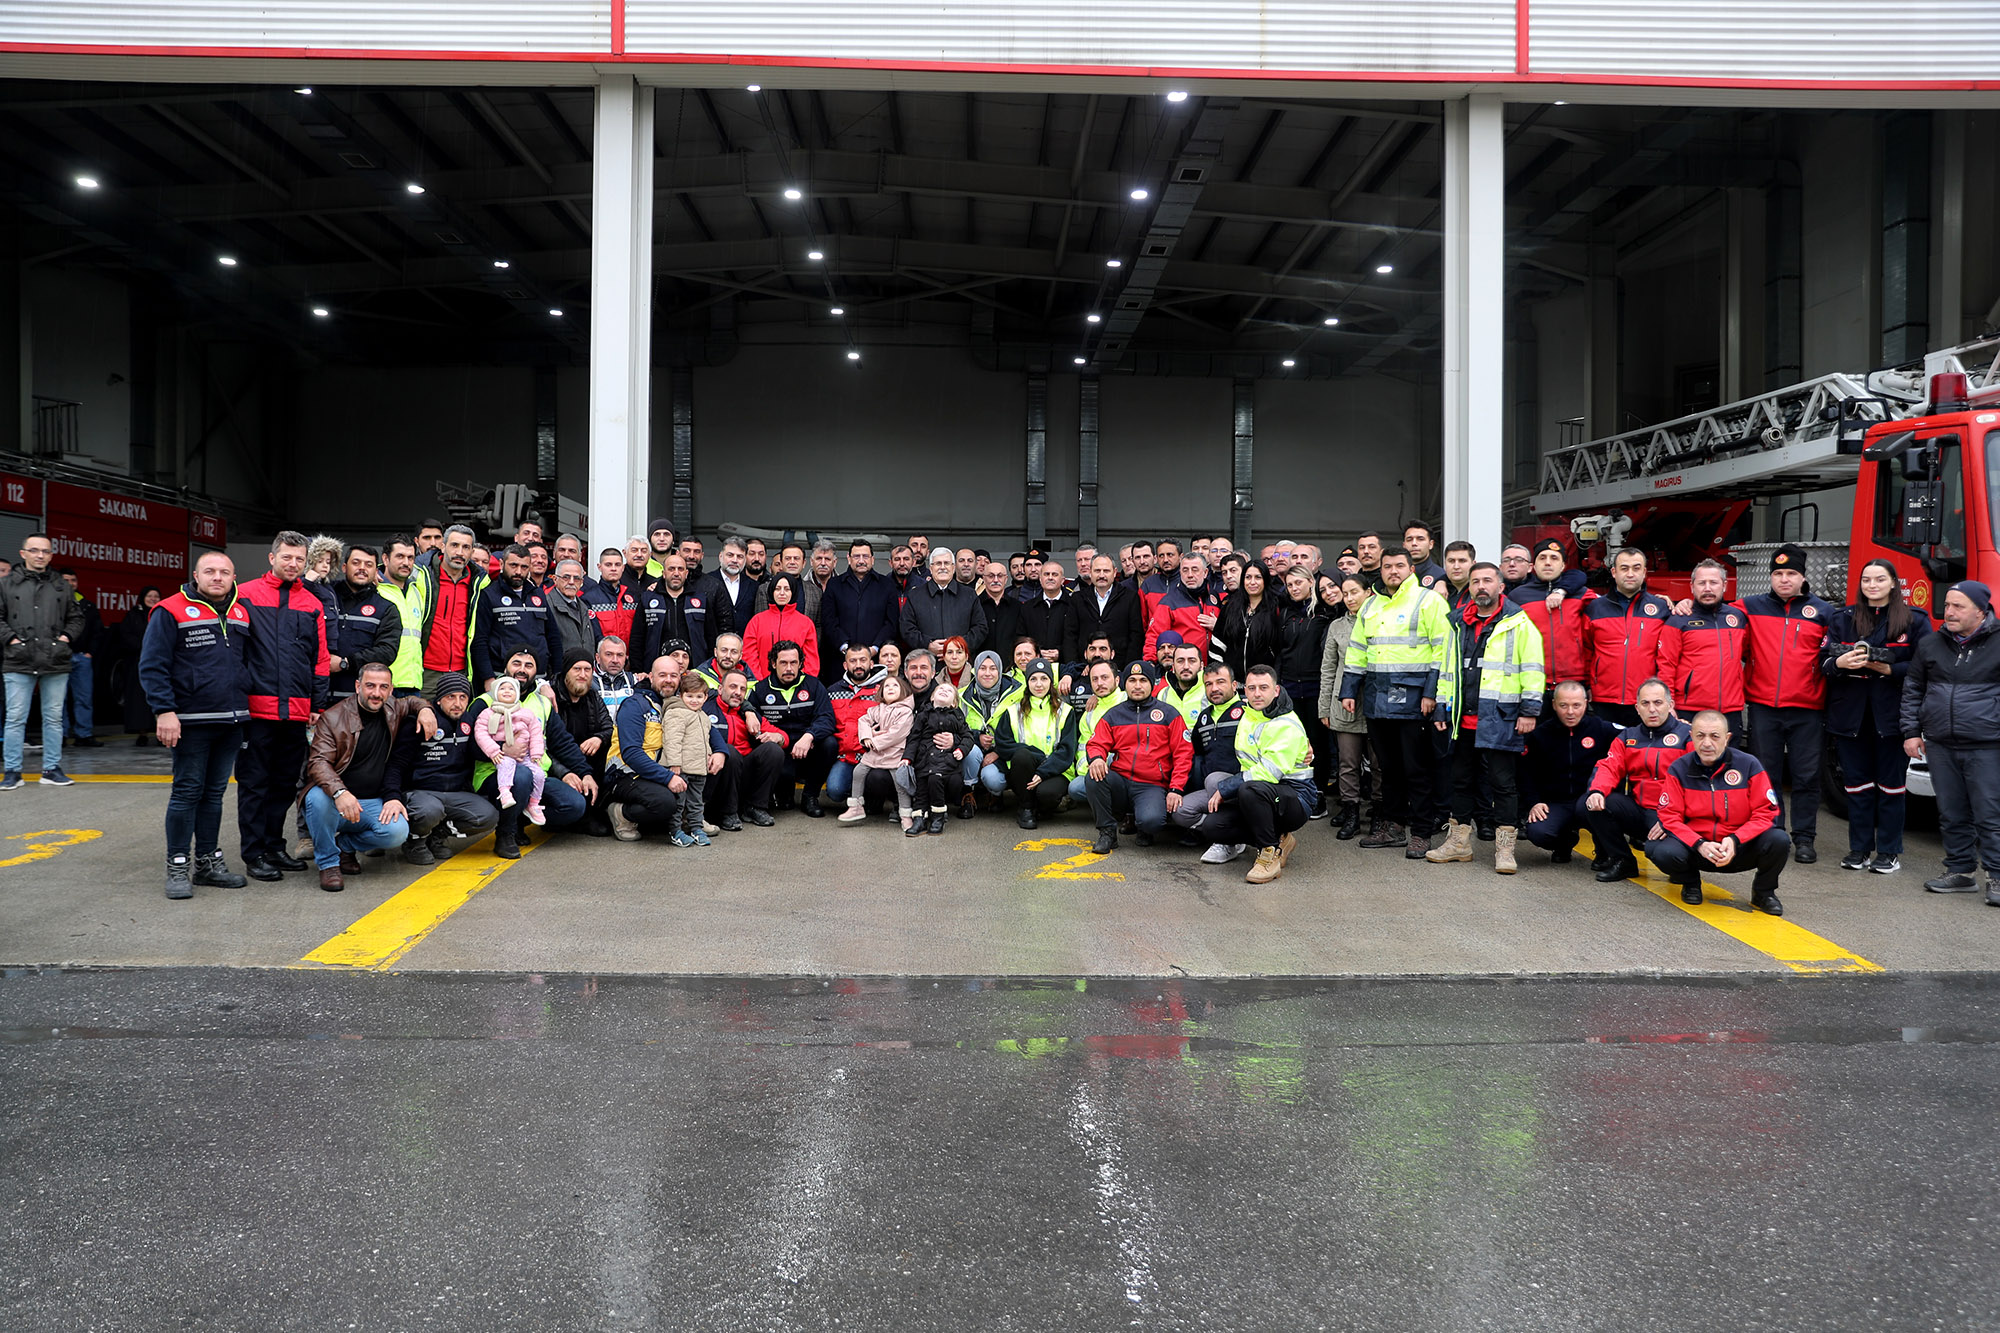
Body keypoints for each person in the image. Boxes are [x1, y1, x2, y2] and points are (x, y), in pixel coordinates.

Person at [139, 550, 252, 898]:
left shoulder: (241, 612)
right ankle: (177, 865)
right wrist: (164, 711)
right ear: (196, 575)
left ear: (234, 577)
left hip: (231, 720)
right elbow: (152, 665)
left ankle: (207, 862)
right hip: (189, 721)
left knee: (214, 794)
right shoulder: (169, 610)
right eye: (210, 571)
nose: (217, 577)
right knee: (187, 791)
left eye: (225, 572)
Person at [1428, 562, 1544, 874]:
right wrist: (1442, 707)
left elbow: (1533, 670)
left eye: (1488, 580)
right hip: (1461, 720)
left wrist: (1530, 711)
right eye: (1476, 581)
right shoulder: (1456, 624)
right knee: (1460, 781)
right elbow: (1446, 670)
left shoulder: (1519, 624)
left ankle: (1505, 851)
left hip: (1501, 718)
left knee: (1502, 785)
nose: (1481, 586)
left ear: (1500, 587)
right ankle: (1459, 844)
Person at [1340, 546, 1451, 858]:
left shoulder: (1429, 601)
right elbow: (1357, 650)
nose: (1393, 571)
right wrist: (1349, 690)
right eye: (1387, 566)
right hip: (1377, 699)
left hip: (1415, 700)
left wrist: (1432, 693)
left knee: (1416, 768)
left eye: (1399, 566)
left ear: (1411, 569)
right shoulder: (1371, 605)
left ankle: (1421, 831)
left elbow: (1442, 653)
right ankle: (1392, 826)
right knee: (1387, 768)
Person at [1822, 557, 1929, 874]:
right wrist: (1840, 664)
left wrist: (1889, 668)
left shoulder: (1914, 621)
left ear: (1893, 583)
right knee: (1856, 787)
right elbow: (1822, 661)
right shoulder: (1843, 618)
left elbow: (1926, 667)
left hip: (1891, 718)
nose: (1872, 585)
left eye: (1880, 579)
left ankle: (1889, 852)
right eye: (1867, 580)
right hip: (1850, 717)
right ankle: (1858, 849)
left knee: (1891, 788)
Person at [235, 532, 330, 879]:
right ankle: (254, 853)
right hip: (257, 711)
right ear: (272, 557)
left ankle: (274, 847)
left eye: (299, 559)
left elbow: (319, 659)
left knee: (283, 784)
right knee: (254, 783)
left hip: (297, 711)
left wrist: (317, 704)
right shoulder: (244, 595)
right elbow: (234, 652)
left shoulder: (312, 603)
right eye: (287, 557)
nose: (293, 564)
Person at [1900, 580, 2000, 903]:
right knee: (1951, 812)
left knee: (1990, 814)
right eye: (1947, 605)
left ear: (1980, 611)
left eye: (1959, 606)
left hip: (1988, 744)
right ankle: (1960, 871)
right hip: (1941, 743)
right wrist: (1912, 731)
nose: (1949, 612)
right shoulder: (1931, 644)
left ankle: (1997, 877)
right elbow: (1913, 688)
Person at [1740, 544, 1838, 864]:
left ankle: (1805, 837)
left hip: (1808, 708)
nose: (1784, 579)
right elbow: (1709, 607)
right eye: (1778, 573)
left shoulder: (1824, 612)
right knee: (1767, 775)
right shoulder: (1749, 607)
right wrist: (1684, 601)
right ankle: (1774, 832)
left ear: (1803, 577)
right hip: (1763, 705)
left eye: (1791, 573)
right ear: (1770, 577)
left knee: (1806, 775)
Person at [300, 662, 432, 891]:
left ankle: (345, 846)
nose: (376, 693)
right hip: (336, 802)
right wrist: (340, 792)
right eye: (370, 686)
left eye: (383, 687)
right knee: (316, 799)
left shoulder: (392, 708)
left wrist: (425, 709)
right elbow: (318, 762)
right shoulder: (333, 718)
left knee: (397, 831)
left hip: (371, 802)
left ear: (391, 690)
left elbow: (411, 701)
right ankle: (329, 863)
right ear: (358, 686)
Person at [1647, 709, 1788, 913]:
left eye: (1714, 736)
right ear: (1692, 737)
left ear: (1727, 738)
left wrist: (1735, 839)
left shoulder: (1749, 765)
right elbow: (1670, 816)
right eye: (1700, 736)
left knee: (1779, 840)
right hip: (1698, 849)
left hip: (1737, 847)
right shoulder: (1679, 768)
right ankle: (1691, 883)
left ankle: (1764, 893)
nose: (1706, 743)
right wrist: (1699, 844)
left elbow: (1766, 813)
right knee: (1658, 850)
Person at [470, 648, 593, 858]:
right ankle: (506, 833)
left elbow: (562, 742)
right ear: (505, 668)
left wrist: (585, 772)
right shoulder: (485, 701)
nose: (522, 670)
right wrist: (501, 750)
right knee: (521, 776)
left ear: (537, 671)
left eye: (529, 666)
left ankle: (519, 818)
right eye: (516, 664)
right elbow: (468, 746)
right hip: (493, 776)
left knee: (574, 805)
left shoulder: (542, 703)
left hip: (537, 775)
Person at [1582, 678, 1691, 882]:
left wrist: (1672, 820)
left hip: (1673, 814)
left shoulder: (1688, 737)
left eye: (1658, 703)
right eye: (1645, 703)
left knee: (1661, 854)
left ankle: (1686, 871)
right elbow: (1609, 766)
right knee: (1594, 803)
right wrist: (1596, 791)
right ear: (1637, 708)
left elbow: (1698, 786)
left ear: (1671, 705)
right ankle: (1623, 861)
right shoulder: (1627, 737)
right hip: (1640, 810)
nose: (1652, 709)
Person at [0, 532, 84, 788]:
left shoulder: (60, 585)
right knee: (15, 718)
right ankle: (12, 772)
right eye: (35, 550)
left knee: (53, 718)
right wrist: (12, 639)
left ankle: (51, 769)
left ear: (51, 555)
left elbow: (77, 617)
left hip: (55, 659)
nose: (40, 555)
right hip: (18, 660)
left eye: (45, 551)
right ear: (23, 553)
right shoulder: (6, 584)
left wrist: (65, 639)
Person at [1083, 659, 1194, 854]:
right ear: (1124, 683)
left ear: (1151, 683)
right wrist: (1097, 758)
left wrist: (1176, 788)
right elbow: (1096, 743)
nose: (1137, 685)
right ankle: (1107, 832)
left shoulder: (1169, 714)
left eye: (1143, 680)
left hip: (1151, 784)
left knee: (1152, 822)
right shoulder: (1113, 715)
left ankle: (1143, 826)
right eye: (1132, 680)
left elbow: (1183, 754)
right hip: (1121, 780)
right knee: (1094, 776)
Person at [397, 672, 501, 867]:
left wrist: (505, 748)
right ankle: (415, 842)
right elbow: (397, 764)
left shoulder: (468, 721)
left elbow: (478, 752)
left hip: (455, 792)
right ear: (439, 699)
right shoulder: (421, 721)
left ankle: (436, 835)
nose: (457, 703)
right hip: (421, 792)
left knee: (488, 816)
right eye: (450, 697)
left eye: (463, 697)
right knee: (430, 810)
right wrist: (393, 796)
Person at [1225, 666, 1317, 884]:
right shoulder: (1247, 714)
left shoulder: (1285, 721)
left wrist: (1224, 789)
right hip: (1264, 791)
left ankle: (1269, 854)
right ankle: (1281, 839)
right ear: (1243, 690)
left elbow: (1267, 773)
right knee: (1215, 827)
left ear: (1276, 690)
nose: (1257, 693)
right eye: (1252, 688)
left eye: (1263, 688)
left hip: (1296, 796)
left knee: (1250, 790)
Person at [1518, 681, 1621, 864]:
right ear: (1554, 705)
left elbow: (1638, 735)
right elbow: (1526, 774)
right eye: (1563, 705)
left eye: (1576, 705)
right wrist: (1534, 802)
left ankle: (1604, 850)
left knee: (1603, 807)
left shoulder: (1601, 728)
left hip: (1589, 799)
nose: (1570, 712)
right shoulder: (1540, 735)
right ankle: (1564, 841)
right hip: (1556, 802)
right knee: (1538, 831)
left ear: (1586, 702)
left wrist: (1678, 727)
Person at [604, 655, 693, 843]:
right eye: (662, 675)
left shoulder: (677, 705)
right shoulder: (635, 704)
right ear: (651, 677)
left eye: (673, 676)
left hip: (655, 773)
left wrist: (718, 752)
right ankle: (621, 814)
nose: (668, 680)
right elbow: (632, 754)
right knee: (664, 803)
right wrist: (668, 778)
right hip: (625, 775)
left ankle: (689, 818)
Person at [1318, 572, 1379, 839]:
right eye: (1345, 593)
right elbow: (1328, 669)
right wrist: (1324, 707)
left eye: (1355, 591)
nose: (1350, 598)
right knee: (1348, 763)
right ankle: (1351, 812)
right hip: (1344, 703)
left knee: (1379, 764)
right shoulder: (1337, 626)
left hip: (1376, 702)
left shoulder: (1382, 620)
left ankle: (1379, 814)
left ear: (1368, 592)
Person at [1656, 558, 1748, 734]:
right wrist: (1668, 705)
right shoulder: (1678, 620)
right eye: (1701, 583)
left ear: (1724, 585)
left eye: (1713, 582)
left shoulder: (1738, 618)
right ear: (1691, 587)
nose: (1707, 588)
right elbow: (1666, 665)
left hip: (1730, 710)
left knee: (1730, 760)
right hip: (1689, 710)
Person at [1582, 547, 1670, 726]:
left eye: (1636, 568)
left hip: (1645, 699)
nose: (1630, 574)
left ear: (1644, 572)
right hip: (1604, 698)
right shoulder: (1595, 608)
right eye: (1624, 568)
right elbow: (1586, 650)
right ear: (1614, 572)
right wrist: (1587, 685)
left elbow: (1667, 655)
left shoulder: (1661, 608)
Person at [747, 641, 836, 816]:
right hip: (780, 750)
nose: (789, 668)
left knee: (830, 744)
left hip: (808, 748)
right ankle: (782, 794)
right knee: (775, 760)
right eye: (783, 663)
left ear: (800, 663)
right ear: (773, 663)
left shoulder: (814, 685)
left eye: (793, 662)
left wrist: (810, 735)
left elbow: (827, 718)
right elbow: (752, 726)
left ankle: (810, 797)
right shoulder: (760, 690)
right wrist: (769, 736)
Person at [1274, 565, 1334, 816]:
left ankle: (1318, 793)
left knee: (1318, 743)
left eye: (1298, 582)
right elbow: (1278, 650)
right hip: (1288, 686)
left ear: (1311, 581)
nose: (1294, 588)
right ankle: (1296, 791)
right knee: (1293, 742)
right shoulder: (1284, 612)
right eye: (1289, 584)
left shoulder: (1324, 612)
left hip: (1315, 687)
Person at [1173, 662, 1248, 861]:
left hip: (1243, 788)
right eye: (1208, 684)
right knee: (1179, 811)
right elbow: (1191, 748)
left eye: (1220, 682)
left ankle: (1225, 840)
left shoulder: (1249, 712)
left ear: (1234, 685)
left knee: (1215, 779)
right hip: (1213, 791)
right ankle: (1234, 833)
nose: (1214, 688)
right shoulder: (1204, 717)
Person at [992, 658, 1078, 829]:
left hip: (1055, 770)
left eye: (1044, 678)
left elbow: (1066, 751)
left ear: (1051, 682)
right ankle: (1026, 808)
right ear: (1027, 682)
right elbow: (1003, 744)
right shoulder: (1013, 710)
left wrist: (1043, 771)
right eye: (1033, 679)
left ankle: (1041, 805)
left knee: (1047, 794)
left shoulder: (1065, 711)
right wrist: (1035, 754)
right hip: (1024, 769)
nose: (1039, 684)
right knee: (1022, 755)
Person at [471, 545, 563, 690]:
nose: (518, 572)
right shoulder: (488, 595)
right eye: (513, 565)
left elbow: (553, 637)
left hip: (538, 680)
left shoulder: (538, 595)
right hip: (502, 679)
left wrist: (558, 675)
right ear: (502, 564)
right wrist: (488, 677)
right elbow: (479, 641)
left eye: (524, 567)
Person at [703, 667, 784, 828]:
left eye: (742, 689)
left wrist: (778, 737)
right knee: (729, 751)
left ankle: (755, 808)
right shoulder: (705, 708)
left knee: (773, 750)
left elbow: (783, 736)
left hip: (742, 774)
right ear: (720, 689)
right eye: (733, 687)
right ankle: (727, 813)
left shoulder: (748, 713)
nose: (738, 692)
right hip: (716, 774)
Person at [1506, 538, 1593, 689]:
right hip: (1531, 680)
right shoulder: (1517, 596)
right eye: (1542, 558)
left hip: (1574, 680)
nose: (1547, 562)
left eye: (1554, 558)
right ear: (1533, 566)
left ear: (1563, 565)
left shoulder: (1581, 594)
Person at [417, 524, 487, 696]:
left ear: (472, 552)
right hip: (425, 671)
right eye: (454, 545)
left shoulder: (481, 583)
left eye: (466, 547)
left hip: (461, 672)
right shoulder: (420, 574)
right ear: (443, 546)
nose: (460, 552)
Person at [898, 680, 975, 836]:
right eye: (940, 689)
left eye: (949, 691)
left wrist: (961, 748)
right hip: (924, 761)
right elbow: (914, 737)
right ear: (932, 697)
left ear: (954, 703)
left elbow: (968, 736)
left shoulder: (956, 716)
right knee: (921, 789)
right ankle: (919, 818)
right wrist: (908, 757)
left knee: (935, 782)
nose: (944, 690)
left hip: (945, 762)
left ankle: (937, 816)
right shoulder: (923, 714)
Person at [327, 544, 401, 700]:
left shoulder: (386, 608)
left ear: (376, 571)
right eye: (356, 563)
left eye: (369, 565)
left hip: (359, 703)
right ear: (344, 567)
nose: (362, 568)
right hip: (319, 700)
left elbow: (387, 652)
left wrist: (345, 663)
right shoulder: (325, 597)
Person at [841, 672, 915, 827]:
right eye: (886, 686)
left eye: (895, 685)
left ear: (903, 691)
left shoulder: (906, 711)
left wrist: (875, 741)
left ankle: (906, 814)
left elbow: (897, 733)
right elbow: (863, 720)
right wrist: (867, 737)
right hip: (875, 754)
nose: (890, 688)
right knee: (858, 772)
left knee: (900, 783)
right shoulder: (878, 709)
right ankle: (856, 807)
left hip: (895, 754)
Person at [822, 540, 898, 673]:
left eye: (865, 556)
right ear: (848, 558)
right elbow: (828, 621)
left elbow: (891, 622)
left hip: (876, 660)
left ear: (872, 559)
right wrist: (845, 648)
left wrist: (875, 648)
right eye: (856, 556)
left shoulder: (887, 585)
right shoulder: (834, 585)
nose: (861, 561)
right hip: (840, 661)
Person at [825, 643, 885, 812]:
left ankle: (870, 795)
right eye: (853, 661)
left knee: (877, 791)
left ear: (871, 664)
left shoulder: (883, 691)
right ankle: (857, 793)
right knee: (835, 791)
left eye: (863, 660)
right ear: (845, 665)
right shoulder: (832, 691)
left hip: (873, 757)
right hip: (845, 757)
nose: (858, 665)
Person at [959, 649, 1020, 812]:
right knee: (970, 752)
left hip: (1003, 754)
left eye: (993, 668)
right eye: (983, 668)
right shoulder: (962, 696)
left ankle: (995, 794)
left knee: (992, 778)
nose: (988, 673)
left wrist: (998, 751)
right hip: (973, 750)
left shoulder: (1018, 694)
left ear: (1000, 671)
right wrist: (977, 737)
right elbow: (956, 729)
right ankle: (968, 793)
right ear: (975, 670)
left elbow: (1023, 732)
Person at [901, 548, 988, 657]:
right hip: (926, 663)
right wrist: (928, 645)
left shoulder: (969, 595)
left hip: (960, 662)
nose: (942, 567)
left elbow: (980, 628)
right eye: (938, 563)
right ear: (931, 568)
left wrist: (957, 647)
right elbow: (907, 628)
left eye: (946, 563)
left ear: (953, 568)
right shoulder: (915, 596)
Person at [374, 536, 429, 696]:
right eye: (400, 556)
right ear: (385, 558)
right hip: (382, 685)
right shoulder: (374, 589)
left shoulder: (417, 591)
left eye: (410, 557)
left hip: (413, 684)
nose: (406, 562)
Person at [1212, 558, 1280, 682]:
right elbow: (1217, 643)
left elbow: (1280, 649)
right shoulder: (1230, 607)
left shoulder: (1276, 608)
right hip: (1233, 684)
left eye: (1258, 577)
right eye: (1248, 577)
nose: (1252, 582)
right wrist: (1219, 677)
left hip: (1264, 683)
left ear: (1265, 580)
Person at [742, 573, 819, 680]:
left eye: (787, 589)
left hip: (796, 686)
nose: (782, 593)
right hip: (762, 684)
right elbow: (749, 656)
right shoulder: (756, 621)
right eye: (777, 589)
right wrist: (759, 682)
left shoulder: (806, 623)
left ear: (793, 592)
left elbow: (811, 661)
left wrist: (801, 682)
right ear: (771, 592)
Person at [1144, 553, 1219, 663]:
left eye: (1195, 570)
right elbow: (1154, 636)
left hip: (1213, 667)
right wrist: (1150, 662)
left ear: (1205, 573)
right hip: (1184, 668)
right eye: (1185, 570)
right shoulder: (1169, 601)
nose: (1189, 575)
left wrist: (1218, 626)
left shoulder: (1214, 597)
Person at [58, 568, 103, 748]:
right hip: (58, 657)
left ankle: (83, 735)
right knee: (57, 700)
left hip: (81, 657)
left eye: (73, 580)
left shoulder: (87, 606)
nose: (70, 584)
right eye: (65, 580)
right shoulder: (50, 604)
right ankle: (60, 736)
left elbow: (97, 632)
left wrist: (90, 652)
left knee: (83, 698)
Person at [1072, 558, 1142, 672]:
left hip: (1120, 668)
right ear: (1090, 572)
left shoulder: (1130, 597)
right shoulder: (1077, 598)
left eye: (1106, 571)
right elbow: (1070, 635)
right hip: (1085, 669)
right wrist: (1077, 667)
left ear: (1114, 572)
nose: (1101, 575)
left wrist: (1127, 668)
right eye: (1097, 571)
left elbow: (1135, 635)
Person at [115, 586, 163, 745]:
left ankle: (161, 734)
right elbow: (125, 636)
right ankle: (142, 733)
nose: (153, 599)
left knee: (160, 698)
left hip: (160, 663)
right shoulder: (133, 615)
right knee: (138, 701)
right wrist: (145, 647)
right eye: (150, 596)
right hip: (137, 664)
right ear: (142, 597)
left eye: (156, 596)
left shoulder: (162, 614)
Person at [1017, 559, 1077, 668]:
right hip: (1034, 668)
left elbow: (1078, 637)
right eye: (1046, 574)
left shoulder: (1073, 605)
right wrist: (1037, 652)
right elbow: (1021, 637)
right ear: (1040, 579)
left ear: (1063, 580)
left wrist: (1060, 652)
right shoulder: (1027, 608)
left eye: (1054, 574)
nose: (1050, 577)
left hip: (1065, 669)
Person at [977, 560, 1027, 665]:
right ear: (983, 579)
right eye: (991, 576)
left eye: (1000, 576)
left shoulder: (1018, 607)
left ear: (1006, 579)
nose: (996, 580)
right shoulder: (974, 605)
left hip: (1010, 667)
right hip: (981, 667)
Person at [544, 559, 597, 657]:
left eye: (576, 578)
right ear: (555, 579)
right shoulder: (546, 606)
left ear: (581, 582)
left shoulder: (584, 607)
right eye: (566, 577)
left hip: (583, 669)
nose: (571, 582)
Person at [1403, 523, 1446, 589]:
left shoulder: (1440, 575)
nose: (1414, 543)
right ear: (1404, 545)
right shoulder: (1396, 574)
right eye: (1409, 539)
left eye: (1420, 539)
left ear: (1431, 544)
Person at [1437, 542, 1476, 613]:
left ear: (1473, 564)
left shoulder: (1480, 591)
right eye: (1451, 561)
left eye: (1462, 561)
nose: (1456, 566)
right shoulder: (1435, 590)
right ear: (1445, 563)